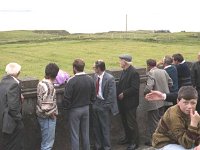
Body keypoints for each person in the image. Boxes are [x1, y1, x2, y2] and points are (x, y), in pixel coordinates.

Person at [63, 59, 95, 150]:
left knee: (75, 134)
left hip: (74, 110)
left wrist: (66, 108)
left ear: (74, 68)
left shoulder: (71, 81)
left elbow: (66, 98)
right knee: (85, 133)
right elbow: (93, 96)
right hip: (86, 109)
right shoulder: (90, 79)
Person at [144, 59, 173, 146]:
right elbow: (171, 83)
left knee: (153, 122)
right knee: (161, 121)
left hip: (154, 101)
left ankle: (154, 141)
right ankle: (163, 139)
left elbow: (149, 87)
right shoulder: (163, 71)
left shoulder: (151, 73)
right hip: (163, 100)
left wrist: (144, 93)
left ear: (148, 65)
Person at [92, 60, 119, 150]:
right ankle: (98, 146)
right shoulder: (95, 76)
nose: (93, 69)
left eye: (94, 67)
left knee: (105, 127)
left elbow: (111, 96)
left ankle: (107, 147)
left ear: (99, 68)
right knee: (96, 127)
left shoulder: (110, 78)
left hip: (104, 105)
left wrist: (105, 106)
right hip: (96, 103)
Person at [117, 54, 140, 150]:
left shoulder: (134, 72)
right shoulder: (124, 71)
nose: (119, 62)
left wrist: (124, 93)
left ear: (125, 62)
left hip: (130, 103)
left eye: (120, 60)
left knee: (131, 124)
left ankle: (134, 143)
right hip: (123, 103)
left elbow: (135, 88)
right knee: (125, 122)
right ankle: (127, 138)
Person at [0, 62, 24, 150]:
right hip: (11, 125)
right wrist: (19, 120)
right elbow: (13, 107)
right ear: (18, 73)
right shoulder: (14, 84)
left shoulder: (2, 81)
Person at [36, 63, 59, 150]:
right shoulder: (49, 87)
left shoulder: (41, 82)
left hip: (41, 116)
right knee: (47, 145)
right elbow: (46, 107)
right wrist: (52, 115)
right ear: (55, 75)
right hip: (48, 118)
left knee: (45, 143)